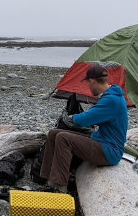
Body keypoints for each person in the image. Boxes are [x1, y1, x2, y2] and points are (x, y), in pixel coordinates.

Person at [39, 64, 128, 193]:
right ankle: (48, 180)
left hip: (110, 151)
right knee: (53, 133)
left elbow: (86, 120)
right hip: (101, 141)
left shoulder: (111, 100)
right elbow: (95, 115)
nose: (88, 87)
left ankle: (60, 186)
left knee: (64, 138)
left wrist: (72, 117)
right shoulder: (111, 95)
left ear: (91, 81)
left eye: (87, 83)